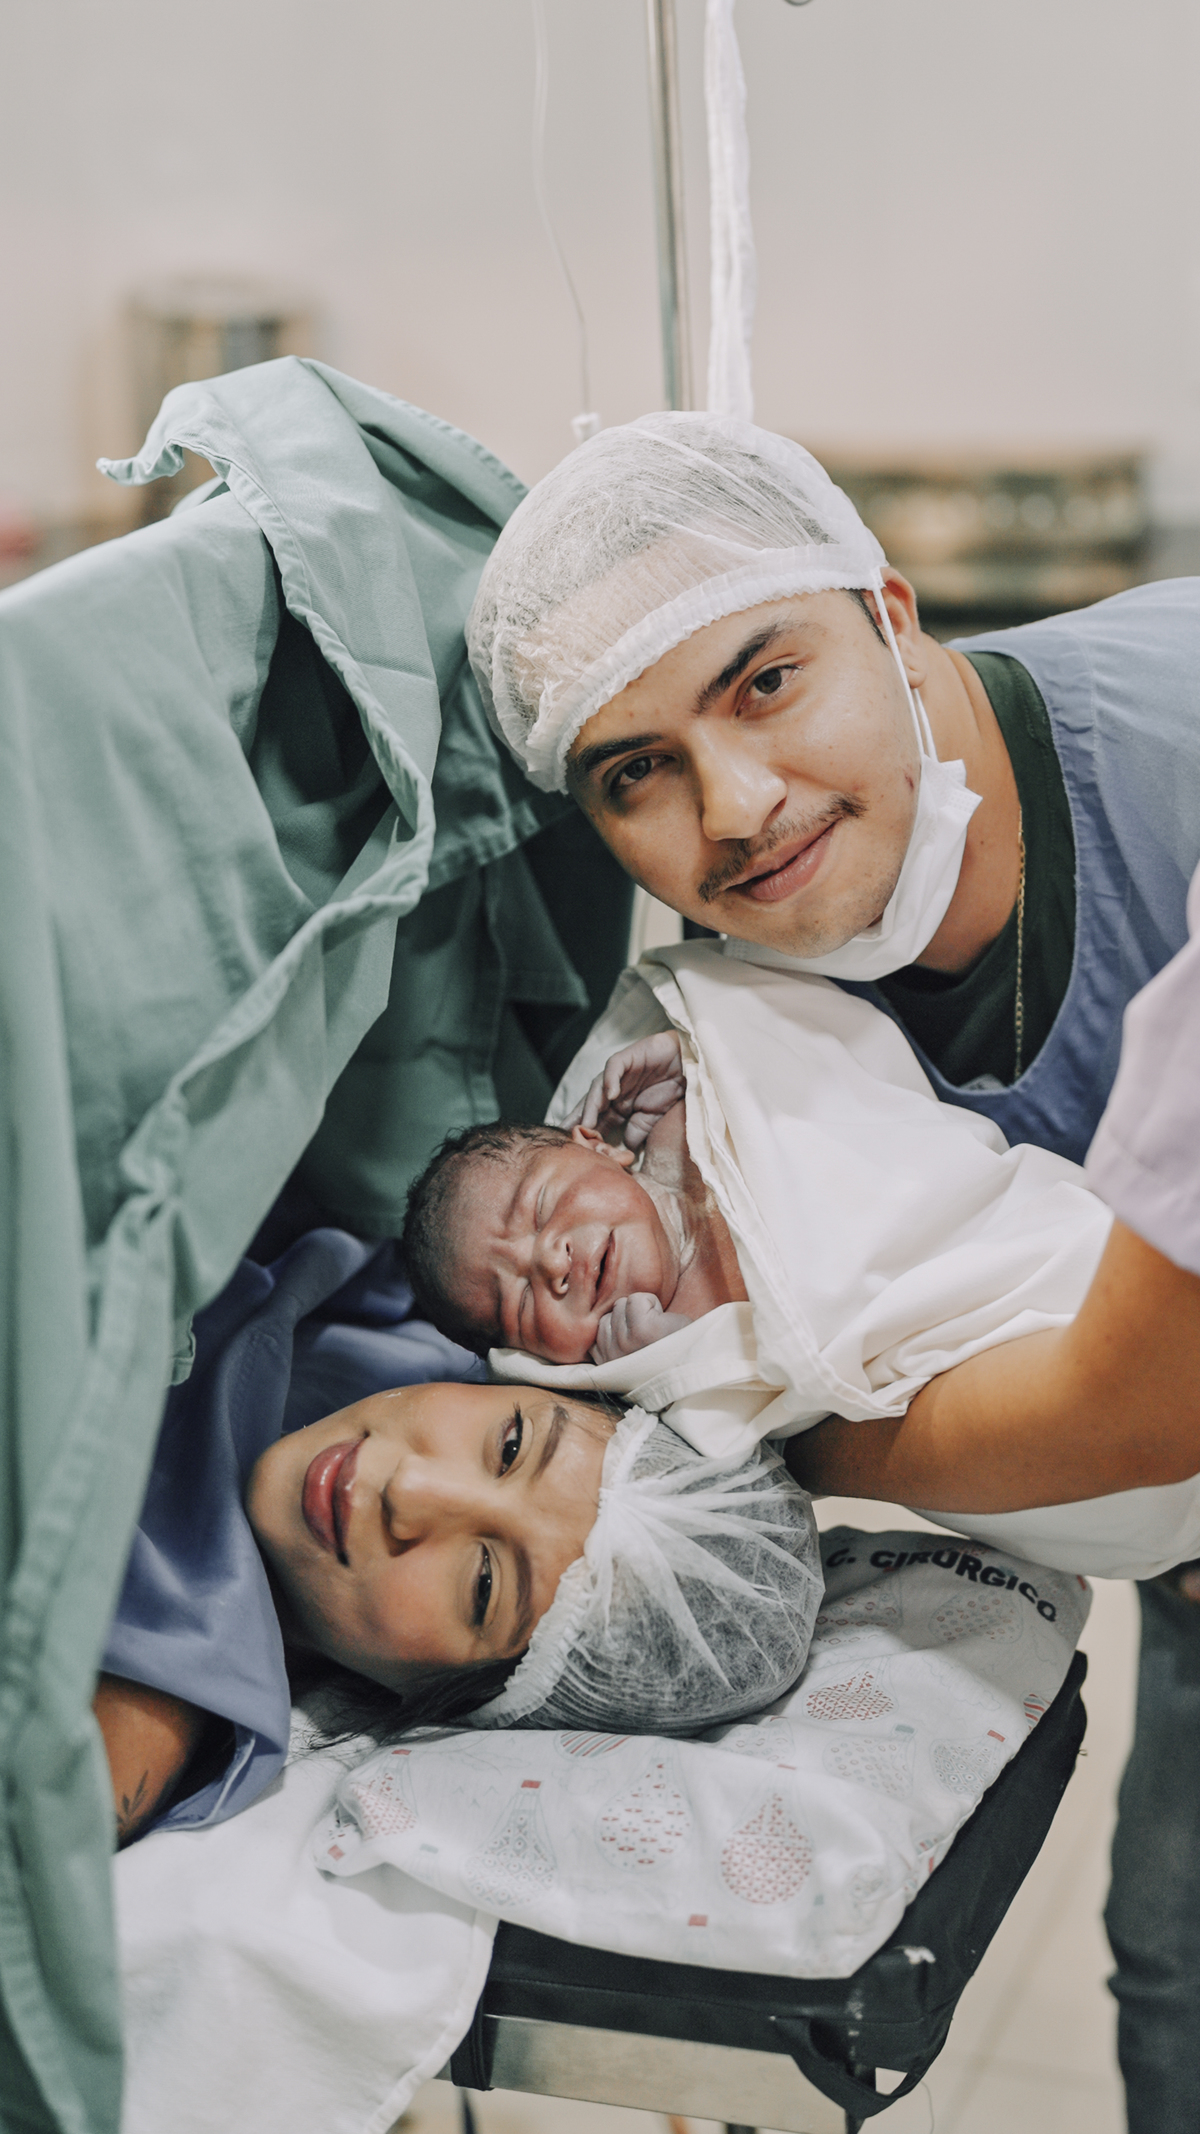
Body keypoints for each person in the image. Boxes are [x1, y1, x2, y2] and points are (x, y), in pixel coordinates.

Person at [464, 409, 1200, 2134]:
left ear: (894, 608)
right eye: (634, 771)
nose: (737, 807)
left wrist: (805, 1435)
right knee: (1176, 1963)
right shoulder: (736, 1010)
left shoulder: (1175, 756)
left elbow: (1143, 1396)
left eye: (767, 681)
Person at [93, 1225, 821, 1845]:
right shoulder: (414, 1298)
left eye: (483, 1584)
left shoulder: (158, 1698)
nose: (411, 1489)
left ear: (446, 1702)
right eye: (511, 1445)